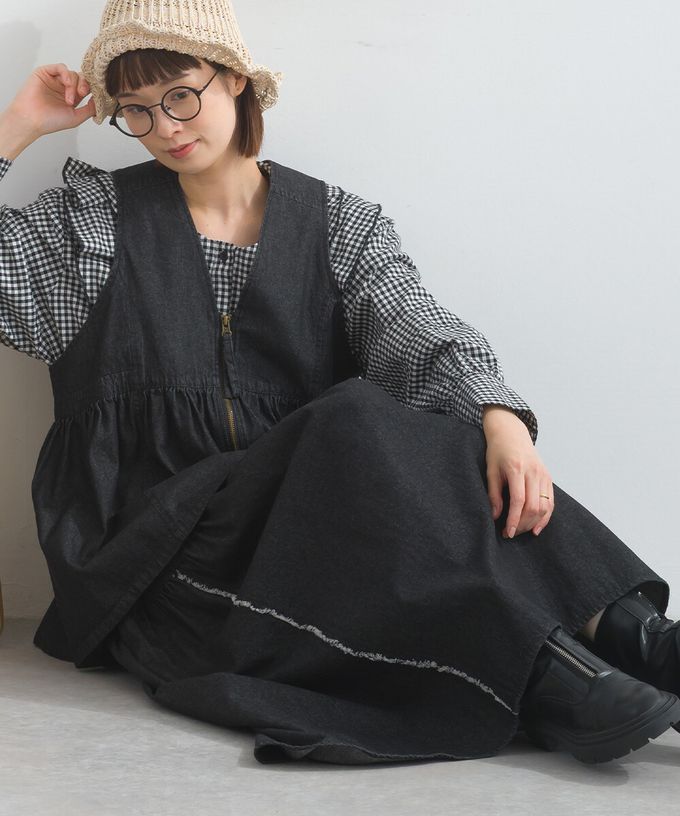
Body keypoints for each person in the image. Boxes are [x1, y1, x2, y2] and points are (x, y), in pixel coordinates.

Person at [1, 0, 680, 766]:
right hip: (155, 555)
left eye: (181, 94)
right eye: (136, 110)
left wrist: (500, 417)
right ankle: (552, 670)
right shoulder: (90, 227)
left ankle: (639, 638)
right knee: (354, 413)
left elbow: (413, 326)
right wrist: (15, 127)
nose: (164, 126)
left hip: (308, 541)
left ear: (234, 80)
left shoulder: (337, 225)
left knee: (454, 429)